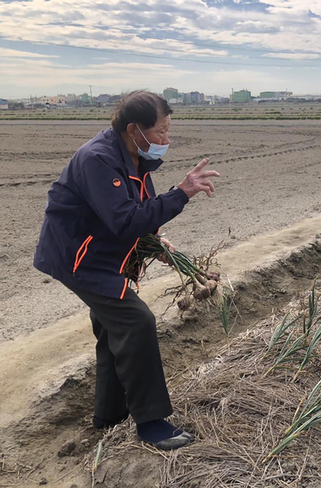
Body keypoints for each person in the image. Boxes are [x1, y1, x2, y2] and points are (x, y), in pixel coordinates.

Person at [34, 91, 219, 450]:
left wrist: (159, 242)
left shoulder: (135, 158)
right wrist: (181, 193)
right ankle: (151, 423)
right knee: (136, 322)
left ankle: (109, 415)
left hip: (102, 256)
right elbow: (124, 221)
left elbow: (141, 210)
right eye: (161, 132)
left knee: (111, 330)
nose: (166, 140)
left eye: (168, 131)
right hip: (81, 259)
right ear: (135, 129)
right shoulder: (98, 159)